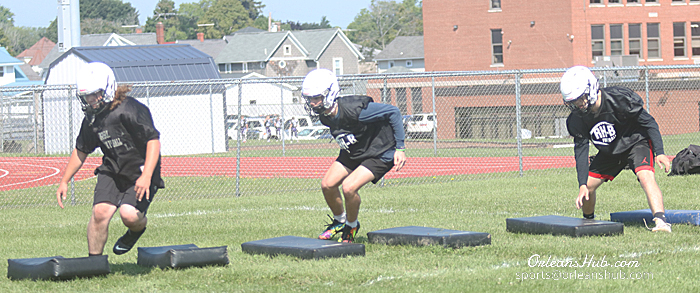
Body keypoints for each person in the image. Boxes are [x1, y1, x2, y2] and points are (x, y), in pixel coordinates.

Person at [56, 62, 165, 256]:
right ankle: (94, 262)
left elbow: (153, 140)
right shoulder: (91, 119)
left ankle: (135, 231)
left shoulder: (129, 109)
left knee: (129, 215)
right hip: (113, 169)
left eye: (94, 94)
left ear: (107, 88)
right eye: (86, 96)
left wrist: (147, 175)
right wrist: (64, 180)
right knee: (100, 213)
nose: (90, 100)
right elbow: (81, 150)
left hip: (140, 170)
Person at [560, 66, 671, 232]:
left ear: (590, 89)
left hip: (635, 142)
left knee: (645, 176)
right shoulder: (577, 119)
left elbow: (649, 122)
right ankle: (588, 222)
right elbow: (581, 152)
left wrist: (659, 152)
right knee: (588, 188)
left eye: (580, 99)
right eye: (573, 102)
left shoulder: (619, 98)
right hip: (610, 151)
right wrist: (582, 184)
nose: (577, 105)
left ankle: (661, 221)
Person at [302, 68, 407, 243]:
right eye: (309, 99)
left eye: (316, 98)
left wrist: (400, 148)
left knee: (349, 187)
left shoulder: (355, 109)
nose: (312, 103)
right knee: (327, 185)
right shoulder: (325, 116)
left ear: (330, 94)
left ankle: (351, 225)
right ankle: (339, 221)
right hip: (355, 150)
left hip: (379, 152)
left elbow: (393, 112)